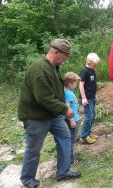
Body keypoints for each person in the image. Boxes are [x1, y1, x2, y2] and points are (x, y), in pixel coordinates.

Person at [18, 39, 81, 188]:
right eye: (65, 56)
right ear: (56, 52)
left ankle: (63, 172)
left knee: (65, 138)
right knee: (34, 149)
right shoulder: (39, 69)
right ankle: (27, 179)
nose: (66, 59)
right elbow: (43, 98)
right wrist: (65, 109)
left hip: (52, 114)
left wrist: (61, 109)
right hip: (36, 117)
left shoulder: (53, 66)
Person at [79, 53, 100, 144]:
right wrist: (83, 98)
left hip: (92, 97)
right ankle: (83, 136)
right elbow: (81, 85)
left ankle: (88, 133)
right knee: (88, 117)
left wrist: (95, 94)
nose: (95, 67)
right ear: (89, 62)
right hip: (86, 99)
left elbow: (92, 84)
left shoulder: (92, 70)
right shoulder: (85, 71)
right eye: (94, 65)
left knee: (93, 116)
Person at [63, 72, 82, 164]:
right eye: (75, 84)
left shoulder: (65, 91)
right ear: (70, 84)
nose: (76, 86)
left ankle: (71, 155)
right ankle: (71, 158)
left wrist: (75, 77)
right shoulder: (69, 94)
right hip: (72, 120)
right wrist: (71, 120)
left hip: (72, 119)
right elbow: (67, 108)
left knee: (71, 139)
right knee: (72, 139)